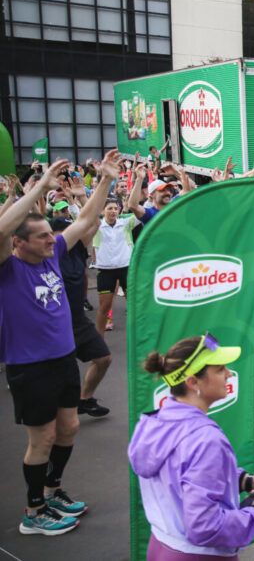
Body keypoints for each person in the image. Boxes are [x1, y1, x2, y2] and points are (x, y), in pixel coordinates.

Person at [2, 151, 119, 536]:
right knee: (43, 438)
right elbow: (2, 231)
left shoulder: (52, 257)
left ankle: (52, 491)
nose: (53, 240)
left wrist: (104, 179)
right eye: (43, 237)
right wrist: (37, 186)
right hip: (29, 366)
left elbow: (86, 219)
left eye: (52, 236)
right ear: (20, 244)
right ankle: (32, 513)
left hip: (62, 359)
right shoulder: (9, 268)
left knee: (68, 428)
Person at [128, 334, 254, 557]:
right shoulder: (205, 440)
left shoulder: (154, 422)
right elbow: (205, 527)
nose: (229, 374)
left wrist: (251, 481)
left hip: (161, 547)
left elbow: (184, 479)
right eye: (220, 369)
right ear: (193, 382)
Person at [51, 216, 112, 418]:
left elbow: (94, 223)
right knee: (61, 373)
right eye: (65, 233)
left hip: (78, 320)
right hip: (55, 324)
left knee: (104, 358)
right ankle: (56, 409)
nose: (71, 236)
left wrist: (84, 196)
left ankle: (84, 400)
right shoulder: (48, 257)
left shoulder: (77, 249)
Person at [93, 199, 138, 333]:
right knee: (104, 306)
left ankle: (138, 335)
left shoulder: (125, 224)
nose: (113, 211)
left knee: (133, 304)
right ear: (103, 211)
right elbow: (82, 214)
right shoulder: (97, 225)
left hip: (126, 268)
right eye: (109, 208)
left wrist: (139, 181)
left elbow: (141, 212)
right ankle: (99, 340)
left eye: (115, 208)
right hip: (106, 271)